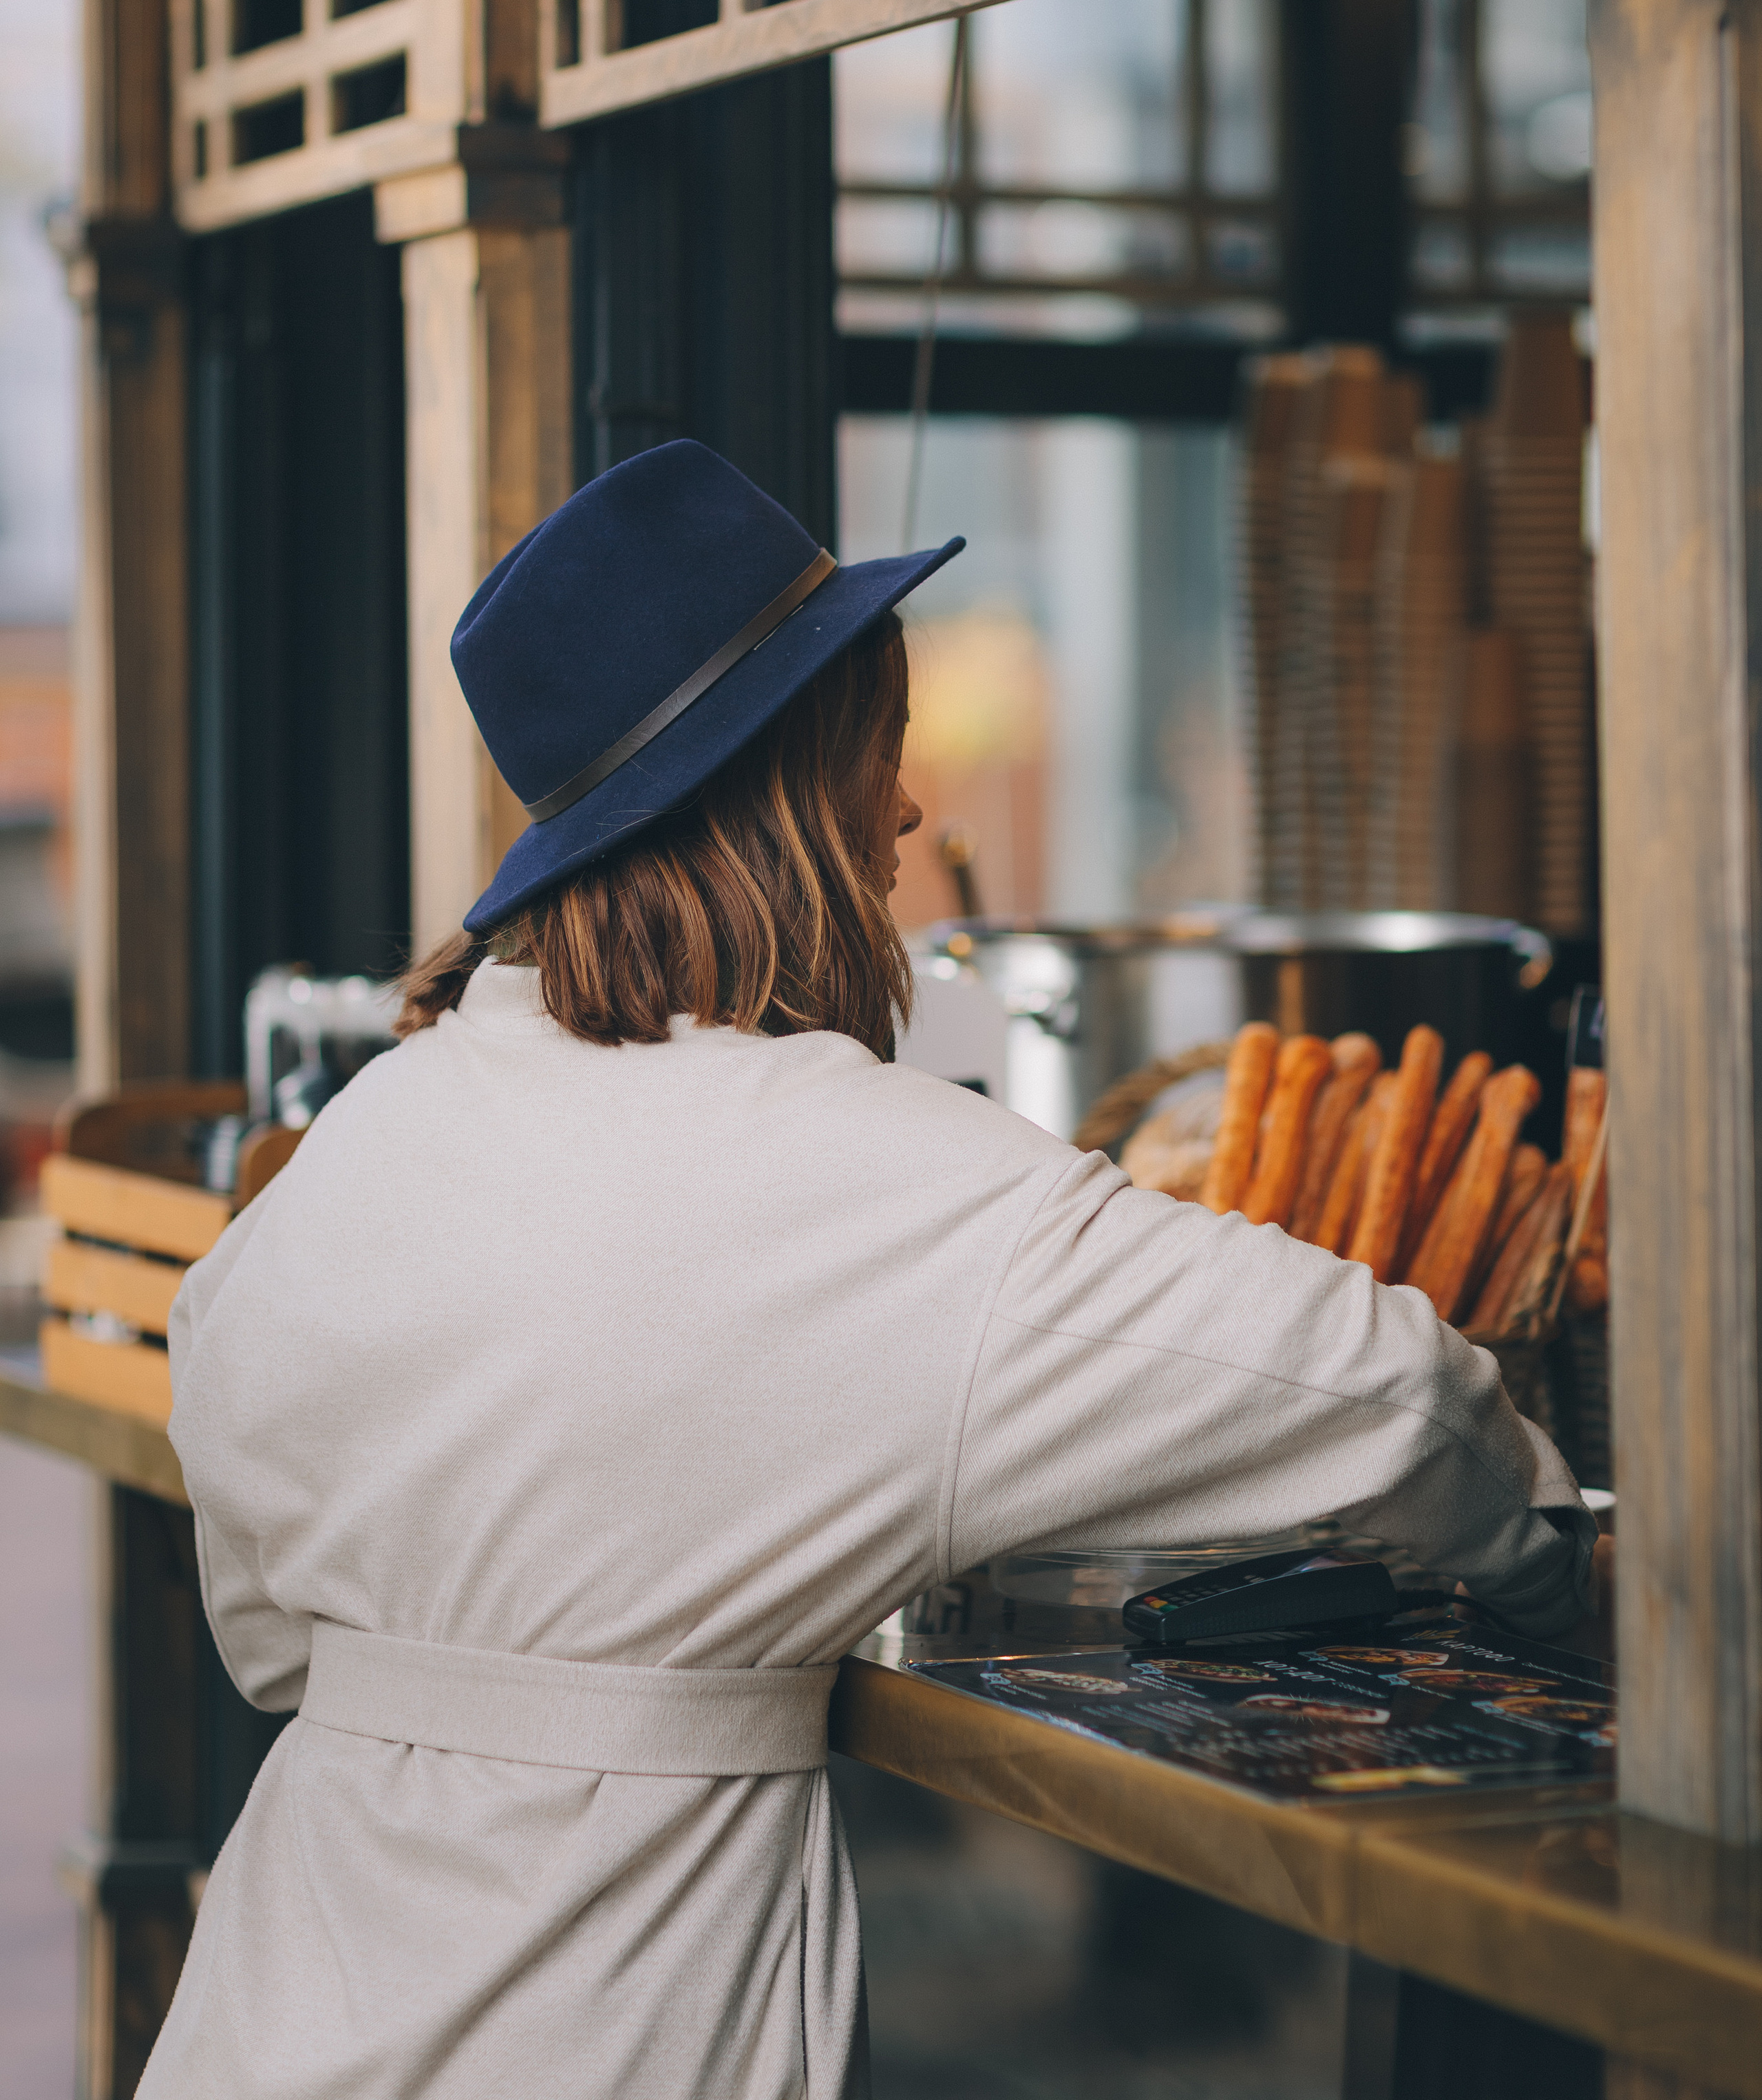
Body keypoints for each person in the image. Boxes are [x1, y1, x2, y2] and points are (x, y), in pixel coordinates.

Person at [142, 441, 1596, 2099]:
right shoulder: (877, 1182)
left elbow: (271, 1645)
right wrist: (1555, 1579)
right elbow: (1389, 1394)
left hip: (260, 2023)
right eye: (878, 752)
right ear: (785, 790)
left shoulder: (350, 1153)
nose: (905, 809)